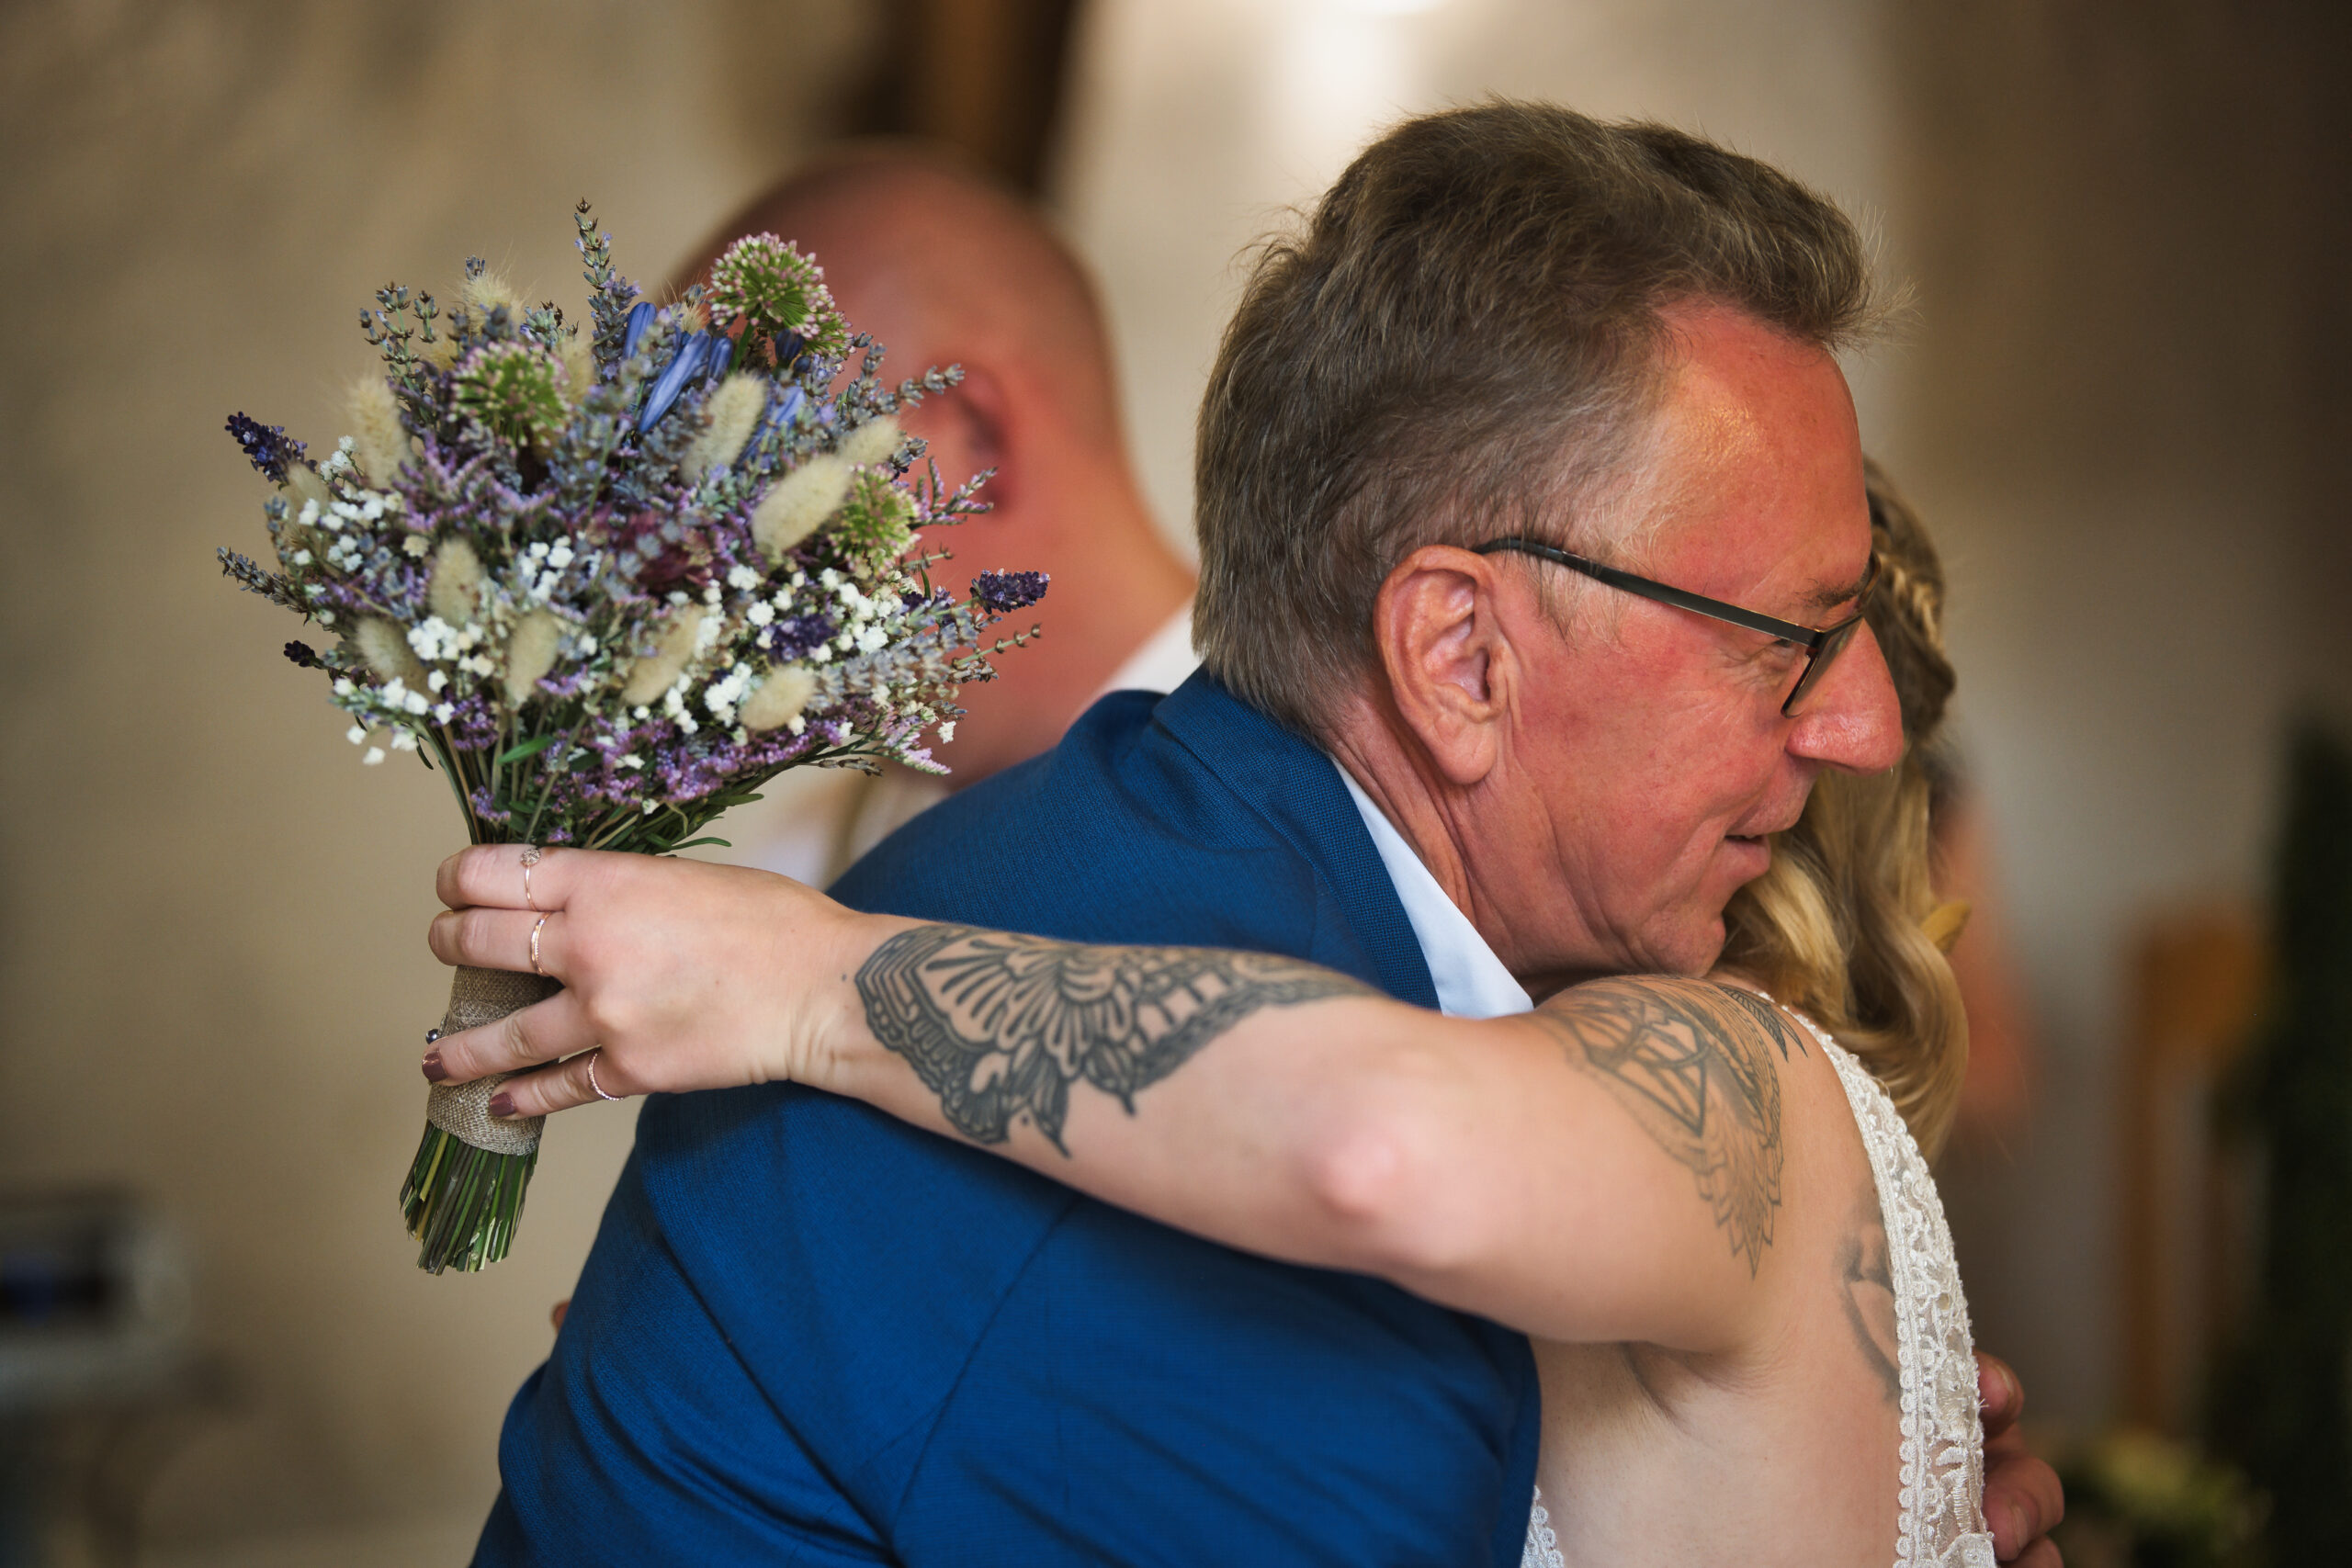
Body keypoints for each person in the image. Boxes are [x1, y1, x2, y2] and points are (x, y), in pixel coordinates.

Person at [431, 105, 2061, 1564]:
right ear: (1460, 658)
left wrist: (1852, 1449)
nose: (1866, 730)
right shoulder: (1138, 1013)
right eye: (1790, 638)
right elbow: (1367, 1164)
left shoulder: (1273, 892)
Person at [679, 146, 1197, 884]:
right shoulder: (806, 853)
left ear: (974, 437)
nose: (718, 577)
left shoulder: (1306, 818)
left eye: (761, 487)